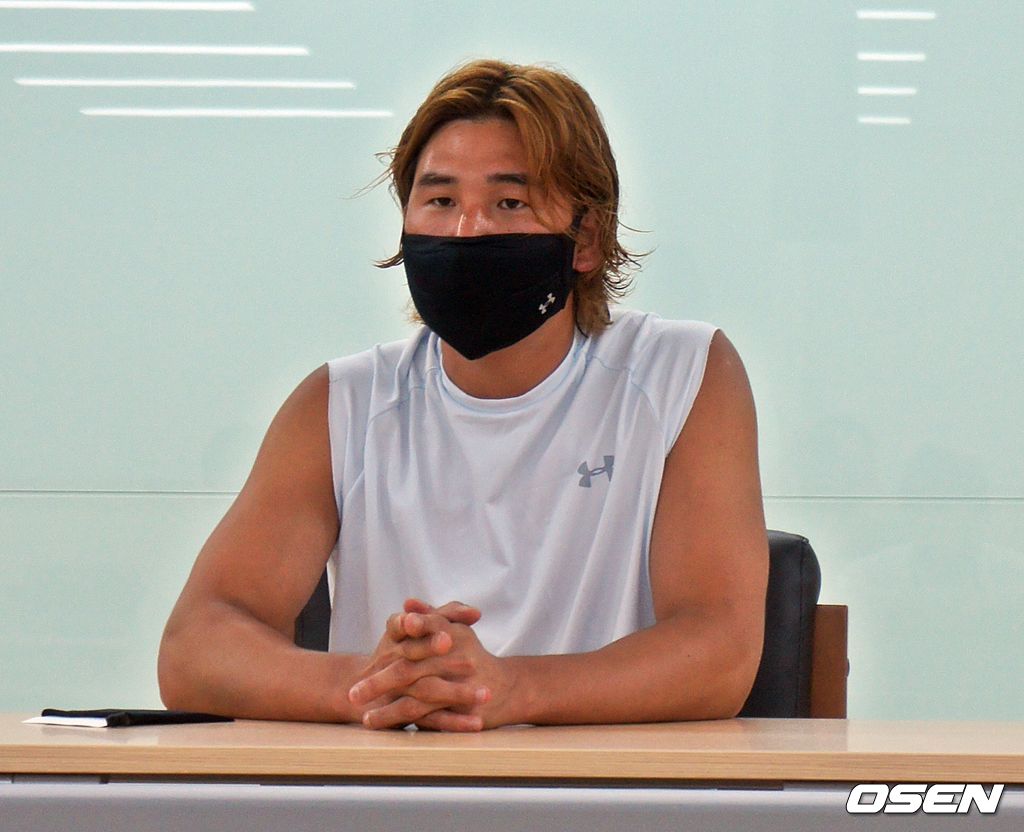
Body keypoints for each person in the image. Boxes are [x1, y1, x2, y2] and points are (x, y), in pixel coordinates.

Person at [158, 59, 769, 732]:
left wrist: (513, 690)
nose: (467, 231)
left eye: (509, 203)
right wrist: (374, 684)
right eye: (441, 201)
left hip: (604, 782)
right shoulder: (342, 403)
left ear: (587, 239)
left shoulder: (682, 374)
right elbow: (196, 647)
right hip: (390, 783)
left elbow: (719, 652)